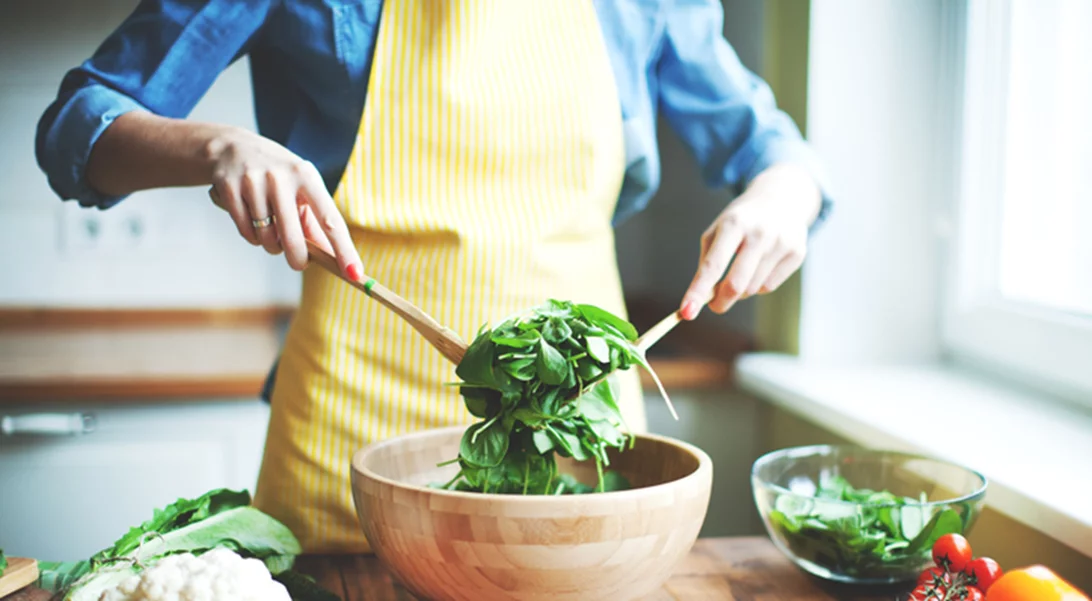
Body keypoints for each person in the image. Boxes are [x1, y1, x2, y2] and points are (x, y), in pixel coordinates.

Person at [36, 0, 831, 553]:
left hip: (582, 436)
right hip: (347, 454)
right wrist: (219, 148)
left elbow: (772, 150)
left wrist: (783, 195)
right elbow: (77, 123)